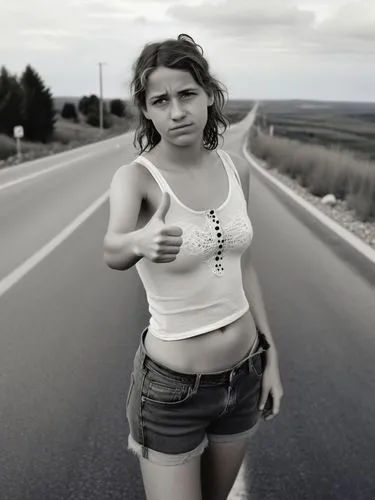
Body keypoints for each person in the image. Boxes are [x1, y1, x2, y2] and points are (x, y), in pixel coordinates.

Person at [103, 33, 283, 500]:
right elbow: (113, 248)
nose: (177, 111)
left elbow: (245, 268)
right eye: (160, 100)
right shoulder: (137, 179)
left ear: (208, 95)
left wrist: (270, 354)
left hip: (244, 377)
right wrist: (139, 240)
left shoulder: (235, 168)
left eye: (187, 94)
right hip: (170, 391)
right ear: (146, 110)